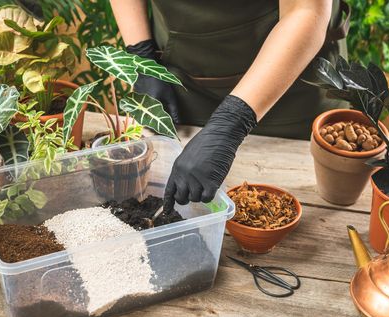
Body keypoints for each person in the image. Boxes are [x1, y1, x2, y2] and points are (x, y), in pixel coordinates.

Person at [109, 0, 350, 211]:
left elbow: (305, 10)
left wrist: (230, 122)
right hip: (183, 84)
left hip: (293, 89)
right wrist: (142, 55)